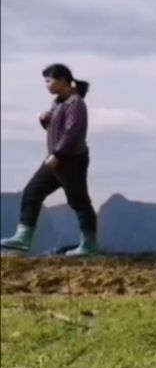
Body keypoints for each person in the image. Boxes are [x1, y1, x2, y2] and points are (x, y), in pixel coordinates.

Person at [1, 63, 100, 256]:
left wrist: (58, 154)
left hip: (70, 160)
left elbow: (72, 132)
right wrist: (45, 119)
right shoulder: (58, 102)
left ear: (62, 80)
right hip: (55, 160)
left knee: (79, 201)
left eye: (49, 80)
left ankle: (89, 246)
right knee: (31, 193)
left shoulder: (75, 103)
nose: (46, 85)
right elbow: (56, 130)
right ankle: (22, 240)